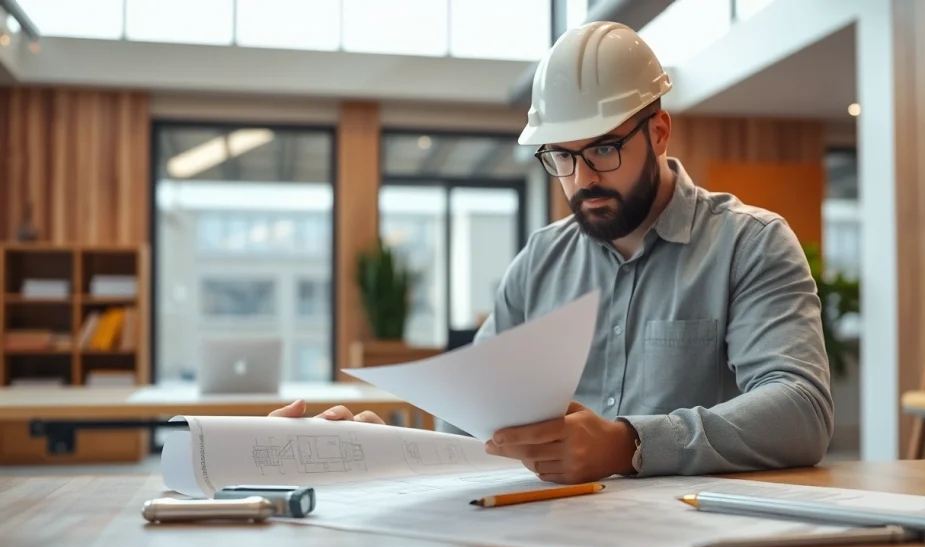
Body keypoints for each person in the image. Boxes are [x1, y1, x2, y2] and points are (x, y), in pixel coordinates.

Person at [271, 21, 833, 484]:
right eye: (560, 156)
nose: (582, 178)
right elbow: (474, 425)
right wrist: (379, 445)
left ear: (658, 132)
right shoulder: (540, 261)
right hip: (547, 537)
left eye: (604, 149)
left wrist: (629, 443)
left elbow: (801, 409)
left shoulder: (750, 244)